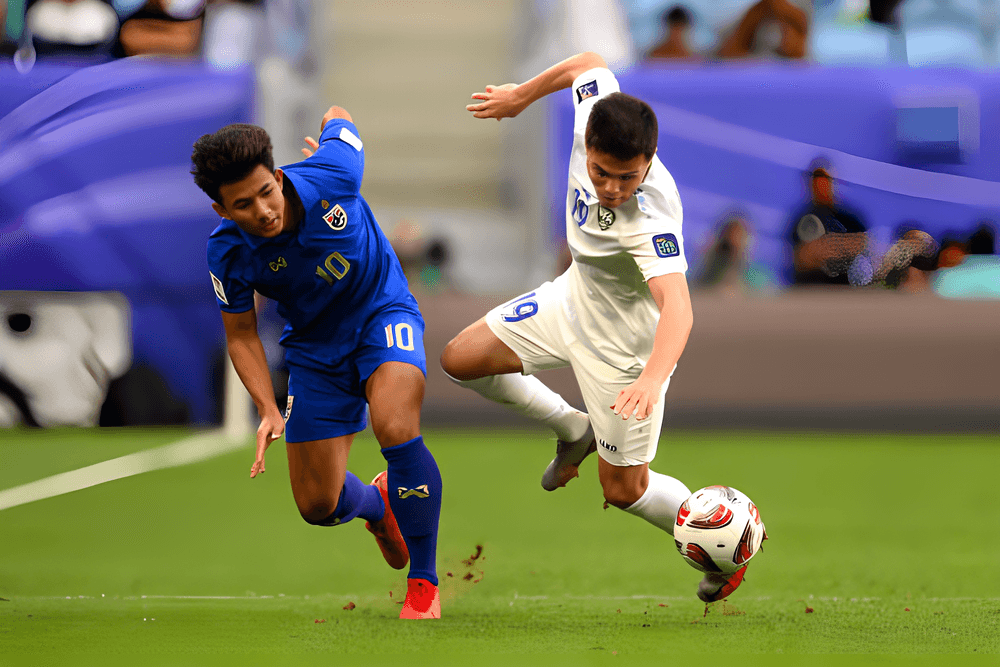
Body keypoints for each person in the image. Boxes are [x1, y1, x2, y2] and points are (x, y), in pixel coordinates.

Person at [440, 51, 753, 603]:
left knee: (623, 488)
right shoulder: (597, 115)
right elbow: (586, 64)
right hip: (572, 298)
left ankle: (726, 549)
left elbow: (679, 306)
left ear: (649, 161)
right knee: (460, 359)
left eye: (626, 177)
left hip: (623, 350)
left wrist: (653, 380)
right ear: (588, 144)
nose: (611, 188)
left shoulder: (652, 217)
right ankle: (572, 428)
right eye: (601, 172)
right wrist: (520, 97)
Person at [191, 107, 443, 619]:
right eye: (243, 204)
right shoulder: (228, 254)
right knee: (317, 505)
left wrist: (331, 131)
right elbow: (240, 335)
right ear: (221, 211)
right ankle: (378, 505)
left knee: (394, 425)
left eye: (267, 191)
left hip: (381, 311)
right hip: (313, 350)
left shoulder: (335, 174)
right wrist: (266, 407)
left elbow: (341, 117)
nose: (262, 210)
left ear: (279, 175)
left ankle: (423, 583)